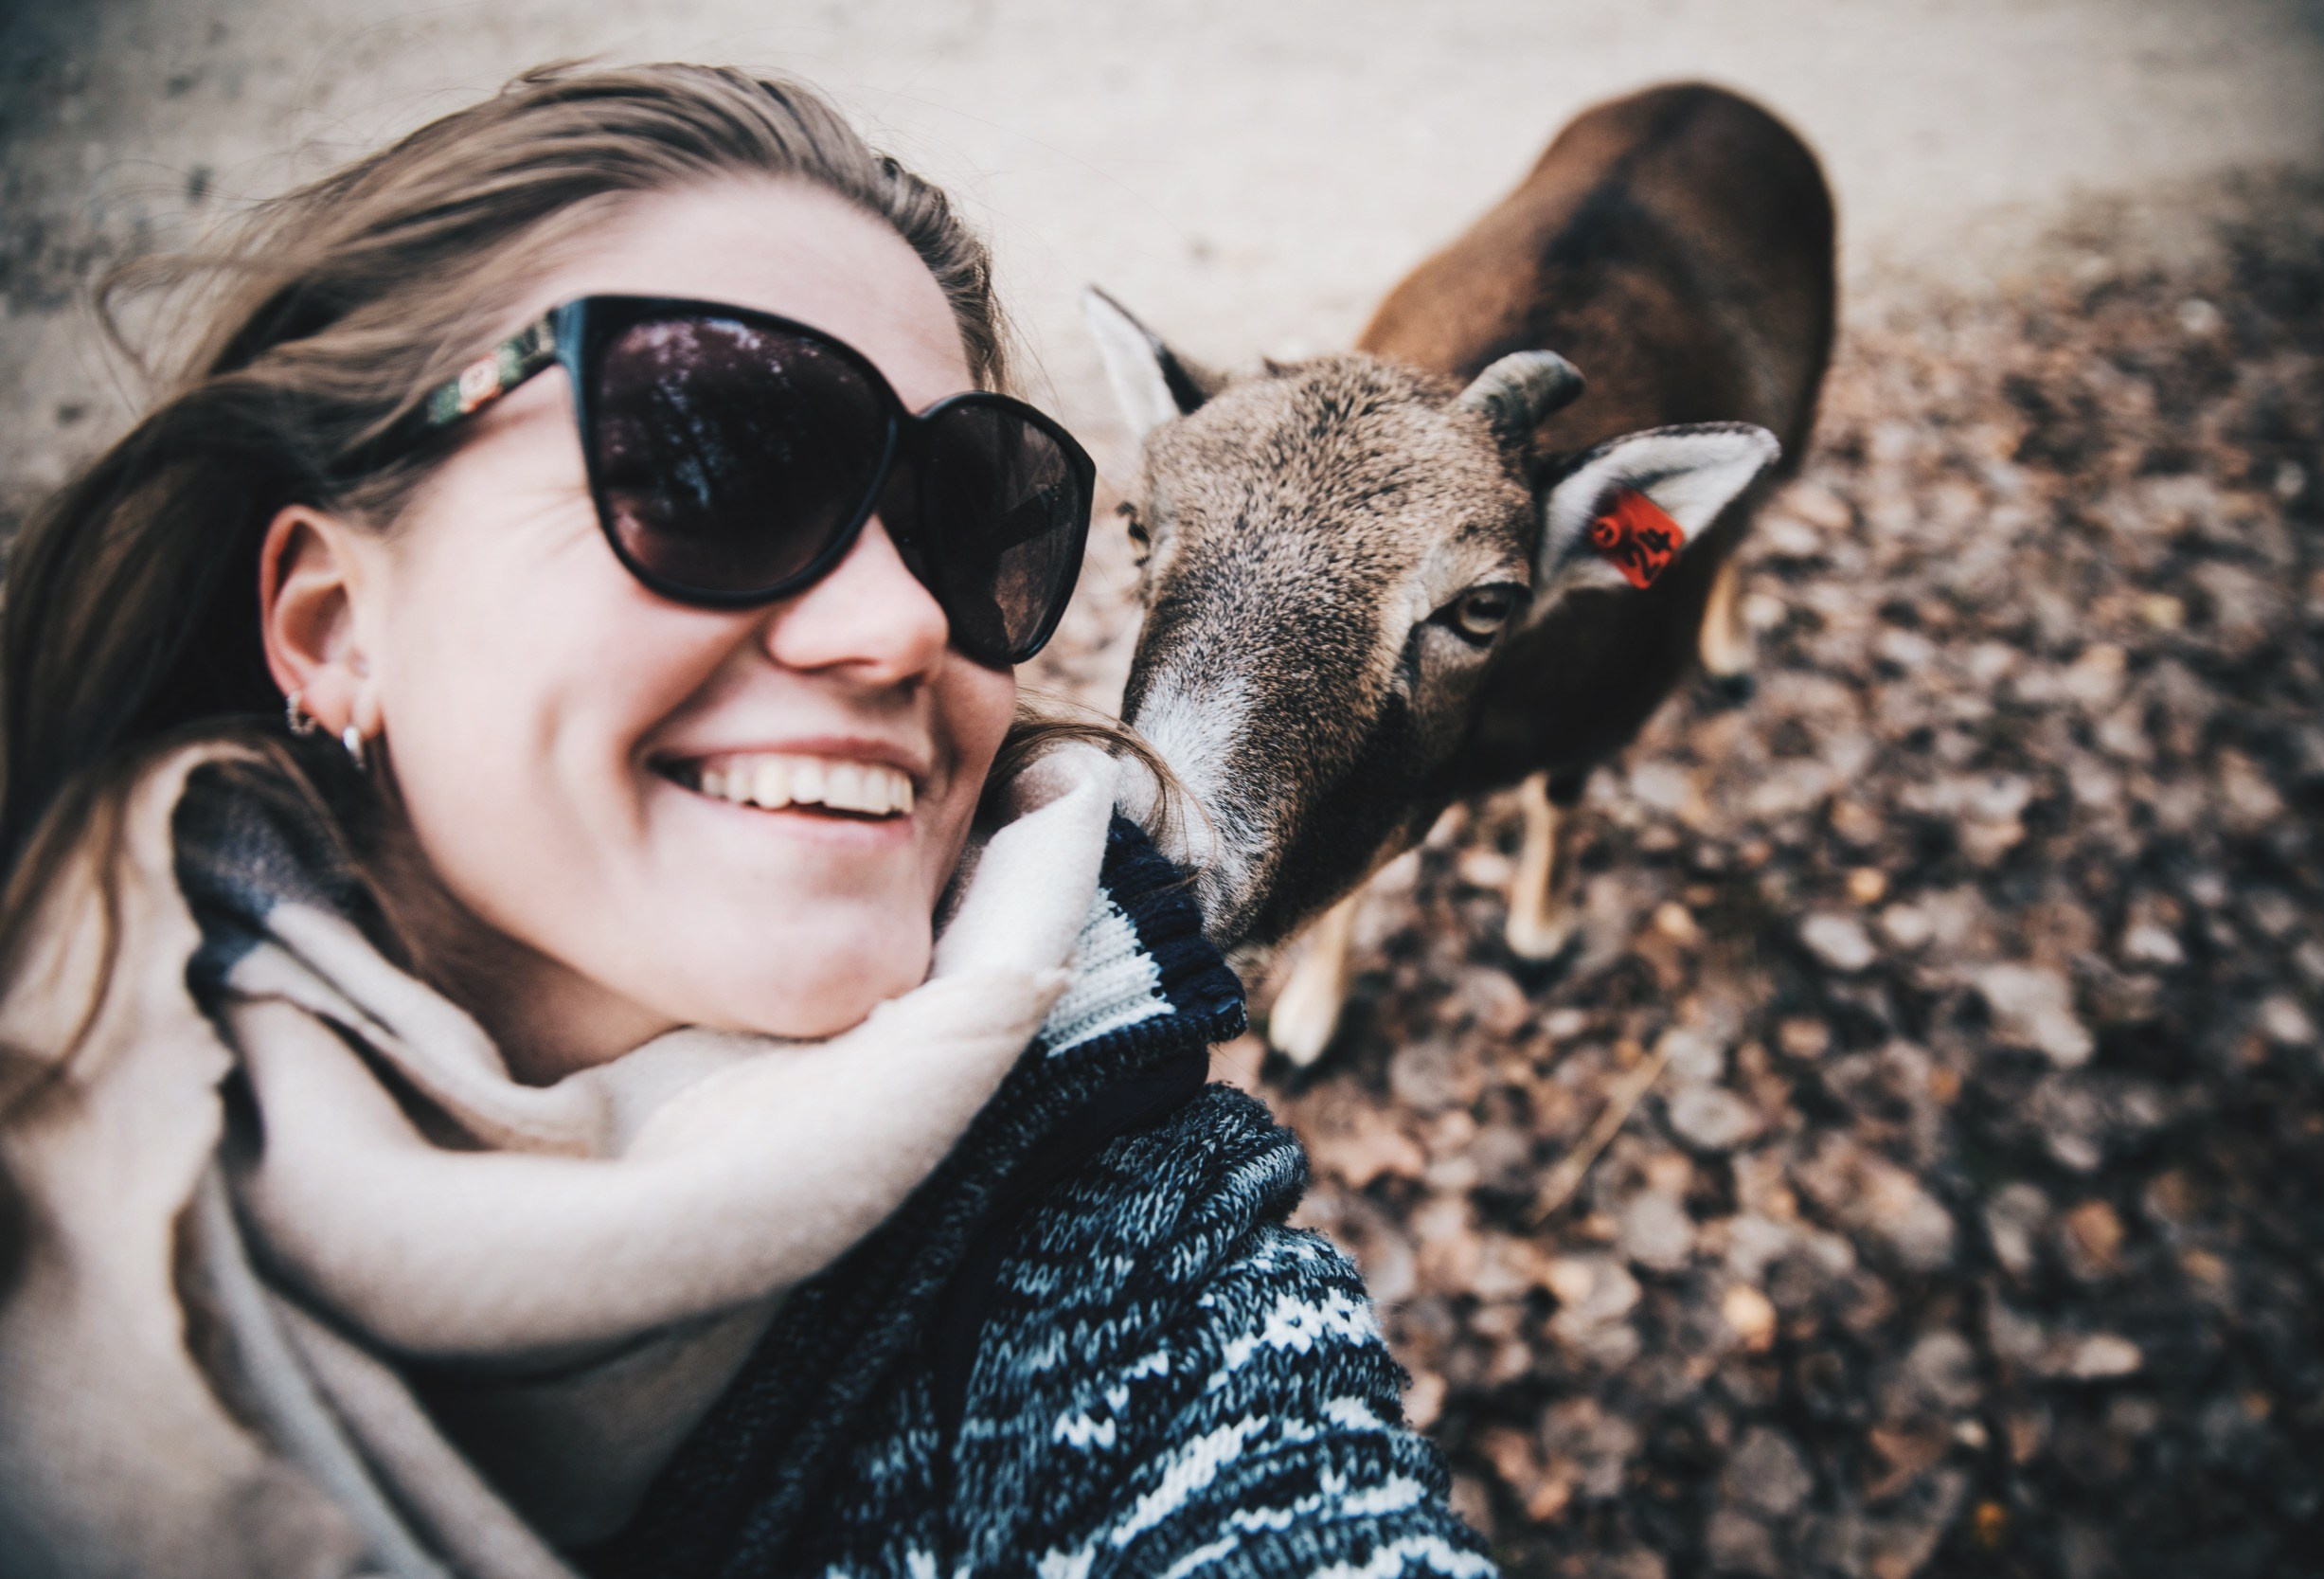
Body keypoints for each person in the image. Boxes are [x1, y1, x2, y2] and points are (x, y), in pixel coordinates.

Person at [0, 62, 1493, 1579]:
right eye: (714, 461)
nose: (908, 625)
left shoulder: (1132, 1275)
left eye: (969, 517)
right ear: (332, 624)